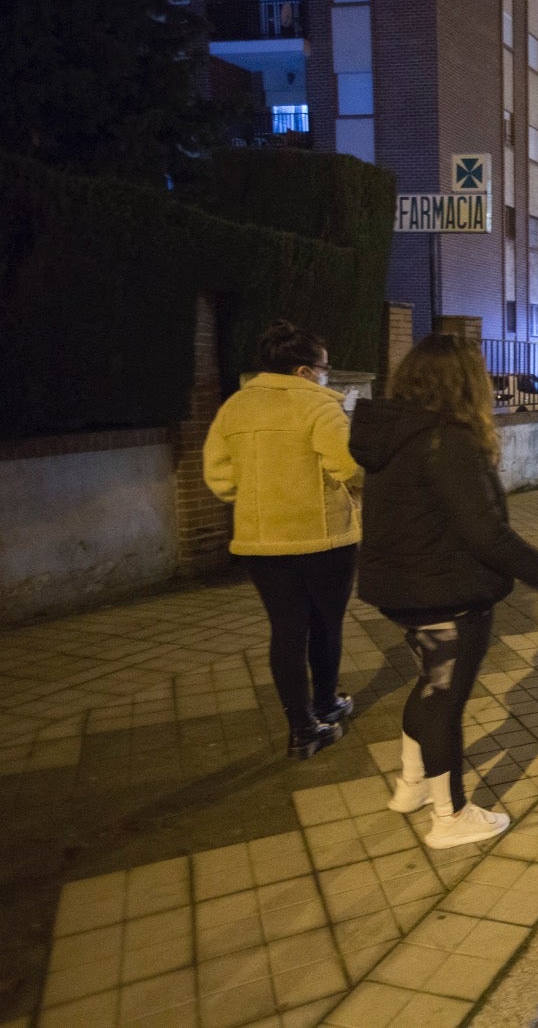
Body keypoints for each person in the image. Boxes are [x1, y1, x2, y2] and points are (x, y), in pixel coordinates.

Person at [349, 335, 538, 849]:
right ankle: (451, 816)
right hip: (445, 591)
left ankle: (412, 785)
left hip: (403, 587)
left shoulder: (394, 433)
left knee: (428, 686)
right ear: (463, 382)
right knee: (445, 698)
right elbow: (483, 530)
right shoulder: (447, 439)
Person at [204, 321, 361, 759]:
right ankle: (327, 703)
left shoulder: (235, 407)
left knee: (286, 632)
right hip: (325, 539)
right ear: (303, 371)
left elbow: (218, 477)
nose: (326, 375)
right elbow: (347, 467)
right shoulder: (320, 407)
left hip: (261, 543)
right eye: (323, 367)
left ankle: (302, 728)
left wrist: (257, 499)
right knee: (325, 624)